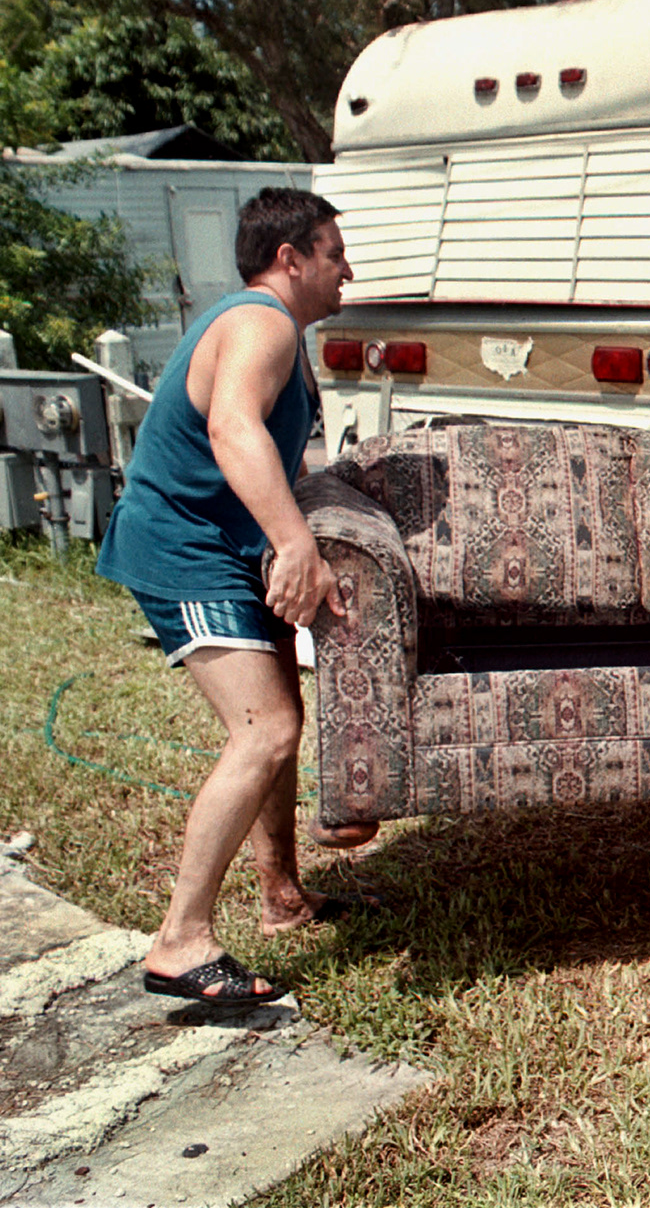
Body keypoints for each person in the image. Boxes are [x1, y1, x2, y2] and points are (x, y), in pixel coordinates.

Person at [96, 187, 379, 1008]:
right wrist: (293, 544)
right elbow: (231, 430)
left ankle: (282, 895)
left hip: (221, 549)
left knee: (278, 727)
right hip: (185, 551)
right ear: (289, 259)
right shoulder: (263, 322)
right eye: (333, 252)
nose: (346, 270)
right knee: (266, 729)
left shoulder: (266, 330)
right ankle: (180, 940)